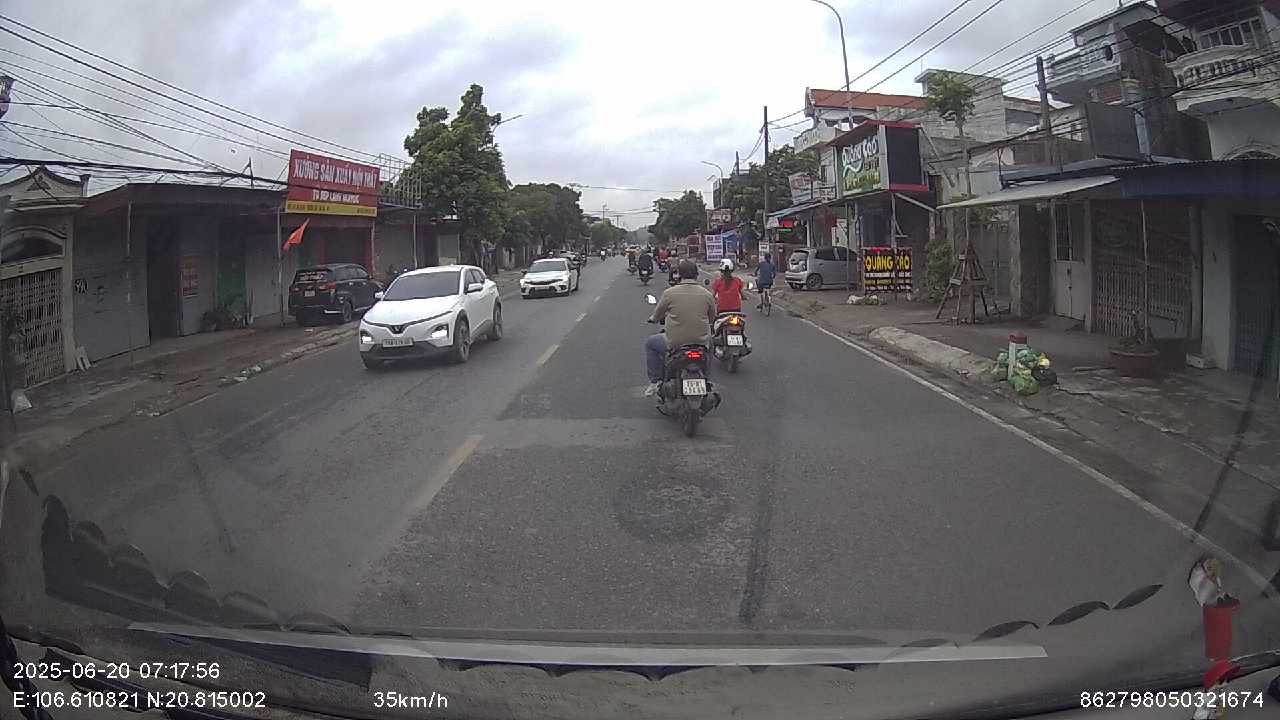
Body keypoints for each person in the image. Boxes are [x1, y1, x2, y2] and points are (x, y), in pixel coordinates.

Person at [645, 259, 716, 397]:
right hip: (700, 343)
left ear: (679, 275)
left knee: (650, 343)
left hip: (675, 343)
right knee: (711, 344)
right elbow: (712, 317)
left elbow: (657, 314)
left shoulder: (669, 293)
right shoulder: (707, 294)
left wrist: (653, 319)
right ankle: (707, 376)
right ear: (696, 275)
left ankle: (655, 381)